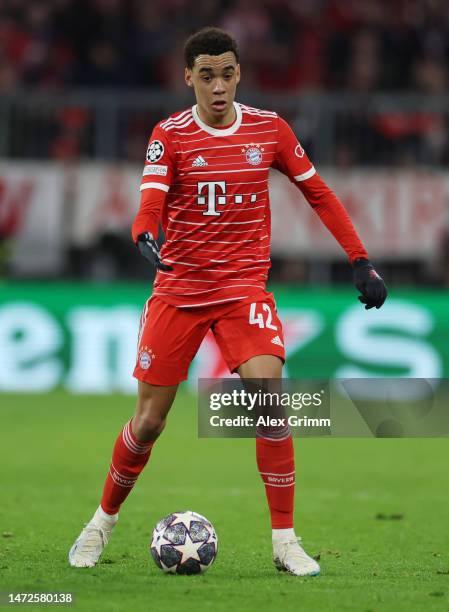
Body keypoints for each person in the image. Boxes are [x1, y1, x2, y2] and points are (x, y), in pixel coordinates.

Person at [69, 26, 387, 576]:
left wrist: (359, 259)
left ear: (239, 74)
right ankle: (100, 523)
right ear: (188, 77)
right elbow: (150, 200)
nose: (219, 86)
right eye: (207, 76)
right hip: (180, 292)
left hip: (243, 291)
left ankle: (285, 541)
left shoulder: (269, 129)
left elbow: (319, 193)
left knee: (270, 400)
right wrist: (144, 232)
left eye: (228, 74)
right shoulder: (169, 134)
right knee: (148, 422)